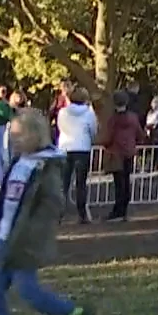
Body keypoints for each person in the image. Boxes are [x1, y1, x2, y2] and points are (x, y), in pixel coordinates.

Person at [0, 108, 91, 315]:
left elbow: (52, 206)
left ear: (36, 135)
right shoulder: (18, 162)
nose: (15, 140)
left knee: (30, 293)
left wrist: (31, 238)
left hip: (24, 242)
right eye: (13, 135)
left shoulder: (47, 167)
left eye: (20, 135)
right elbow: (5, 203)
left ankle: (74, 313)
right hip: (3, 238)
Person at [54, 84, 98, 223]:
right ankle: (81, 214)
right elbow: (93, 130)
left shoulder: (62, 112)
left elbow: (60, 127)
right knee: (81, 183)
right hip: (82, 148)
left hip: (65, 147)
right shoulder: (89, 113)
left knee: (63, 183)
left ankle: (58, 214)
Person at [105, 91, 143, 223]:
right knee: (126, 181)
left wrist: (105, 144)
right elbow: (139, 134)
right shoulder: (133, 117)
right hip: (129, 152)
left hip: (116, 153)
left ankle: (118, 210)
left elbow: (108, 137)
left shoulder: (113, 119)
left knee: (118, 182)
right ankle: (124, 209)